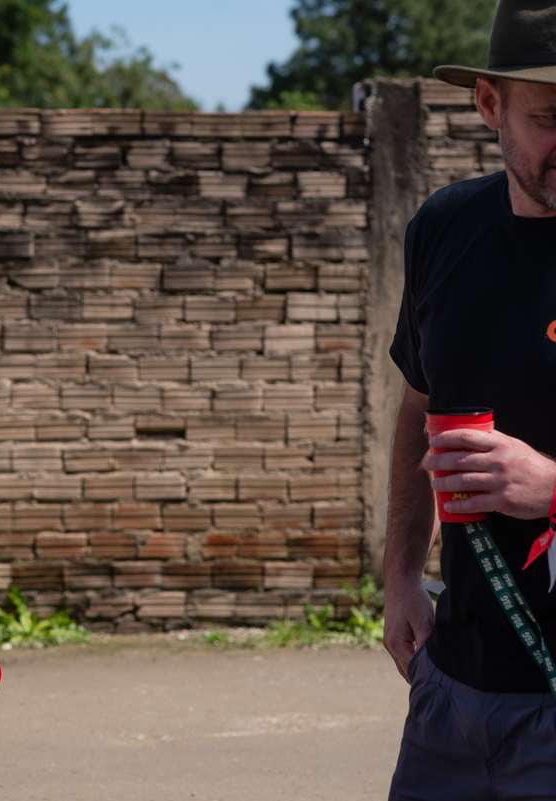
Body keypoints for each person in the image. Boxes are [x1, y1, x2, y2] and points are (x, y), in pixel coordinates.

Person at [384, 2, 556, 798]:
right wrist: (400, 577)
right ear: (490, 104)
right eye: (551, 117)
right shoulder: (443, 229)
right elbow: (419, 408)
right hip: (452, 692)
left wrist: (550, 485)